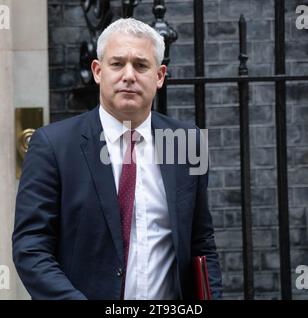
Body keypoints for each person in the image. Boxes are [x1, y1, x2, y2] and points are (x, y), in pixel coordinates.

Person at [12, 18, 222, 300]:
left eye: (141, 65)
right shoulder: (53, 146)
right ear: (98, 71)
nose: (129, 75)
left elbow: (201, 243)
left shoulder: (187, 142)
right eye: (117, 63)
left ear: (159, 76)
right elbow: (31, 248)